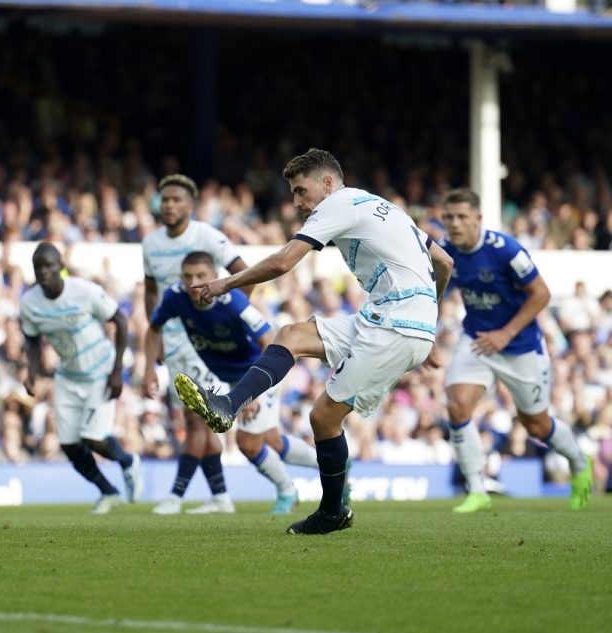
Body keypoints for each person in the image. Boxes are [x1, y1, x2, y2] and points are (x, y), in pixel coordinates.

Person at [176, 148, 454, 535]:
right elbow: (443, 262)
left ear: (327, 183)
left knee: (323, 417)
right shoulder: (384, 207)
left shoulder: (336, 204)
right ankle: (227, 405)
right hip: (391, 319)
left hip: (395, 323)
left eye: (301, 191)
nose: (297, 202)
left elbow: (282, 262)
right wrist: (429, 323)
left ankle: (332, 511)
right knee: (291, 334)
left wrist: (224, 284)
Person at [430, 188, 592, 512]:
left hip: (519, 346)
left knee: (536, 425)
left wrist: (506, 333)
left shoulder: (506, 250)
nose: (455, 223)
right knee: (458, 406)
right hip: (476, 339)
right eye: (449, 217)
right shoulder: (446, 252)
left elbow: (541, 294)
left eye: (462, 217)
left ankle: (578, 462)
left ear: (478, 219)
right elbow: (434, 292)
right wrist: (425, 337)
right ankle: (477, 489)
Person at [143, 252, 319, 514]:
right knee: (272, 441)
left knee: (247, 443)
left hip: (259, 371)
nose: (194, 282)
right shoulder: (174, 297)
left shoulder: (233, 301)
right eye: (188, 276)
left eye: (201, 276)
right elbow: (154, 327)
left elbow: (269, 342)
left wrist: (252, 392)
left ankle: (287, 491)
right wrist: (149, 368)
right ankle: (332, 462)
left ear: (214, 277)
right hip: (223, 376)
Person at [143, 174, 250, 515]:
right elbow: (150, 290)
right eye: (165, 200)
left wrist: (226, 319)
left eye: (177, 200)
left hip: (203, 342)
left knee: (200, 419)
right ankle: (220, 496)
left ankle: (177, 495)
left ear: (189, 205)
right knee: (192, 420)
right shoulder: (150, 243)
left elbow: (244, 273)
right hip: (172, 342)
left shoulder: (206, 235)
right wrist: (155, 334)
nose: (170, 205)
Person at [19, 242, 142, 514]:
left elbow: (120, 320)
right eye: (38, 267)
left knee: (92, 438)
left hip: (100, 372)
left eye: (49, 265)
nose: (43, 272)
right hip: (68, 376)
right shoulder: (29, 303)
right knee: (69, 445)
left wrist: (117, 370)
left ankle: (126, 460)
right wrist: (31, 372)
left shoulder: (83, 291)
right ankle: (108, 492)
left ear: (61, 267)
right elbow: (31, 340)